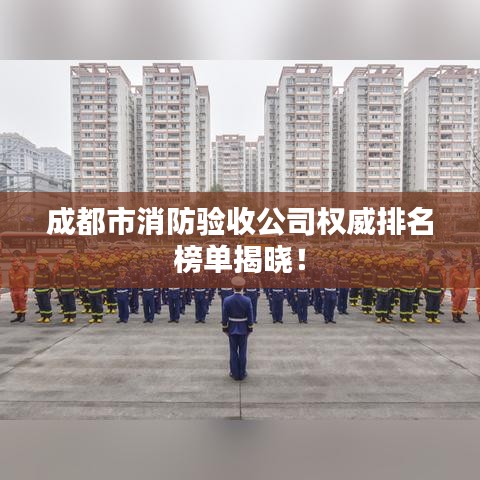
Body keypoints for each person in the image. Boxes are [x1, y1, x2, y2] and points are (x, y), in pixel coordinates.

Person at [222, 276, 253, 381]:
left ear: (233, 287)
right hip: (243, 328)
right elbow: (250, 316)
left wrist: (225, 328)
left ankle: (234, 373)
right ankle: (242, 373)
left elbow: (224, 316)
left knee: (233, 351)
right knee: (243, 352)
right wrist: (250, 328)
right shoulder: (247, 300)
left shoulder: (227, 300)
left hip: (232, 327)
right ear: (243, 287)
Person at [9, 259, 29, 323]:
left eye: (16, 266)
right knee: (15, 303)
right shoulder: (11, 273)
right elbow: (10, 282)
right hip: (14, 290)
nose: (14, 267)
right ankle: (18, 316)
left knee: (22, 303)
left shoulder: (23, 273)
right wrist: (11, 290)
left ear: (18, 266)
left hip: (21, 290)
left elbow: (26, 282)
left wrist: (26, 291)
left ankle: (23, 316)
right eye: (13, 266)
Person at [33, 258, 53, 323]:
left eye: (42, 265)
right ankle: (42, 316)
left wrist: (50, 289)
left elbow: (51, 281)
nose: (41, 266)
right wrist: (35, 288)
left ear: (45, 265)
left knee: (46, 304)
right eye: (40, 265)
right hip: (38, 291)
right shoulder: (37, 272)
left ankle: (48, 316)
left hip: (46, 291)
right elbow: (35, 280)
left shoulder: (49, 272)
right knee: (40, 304)